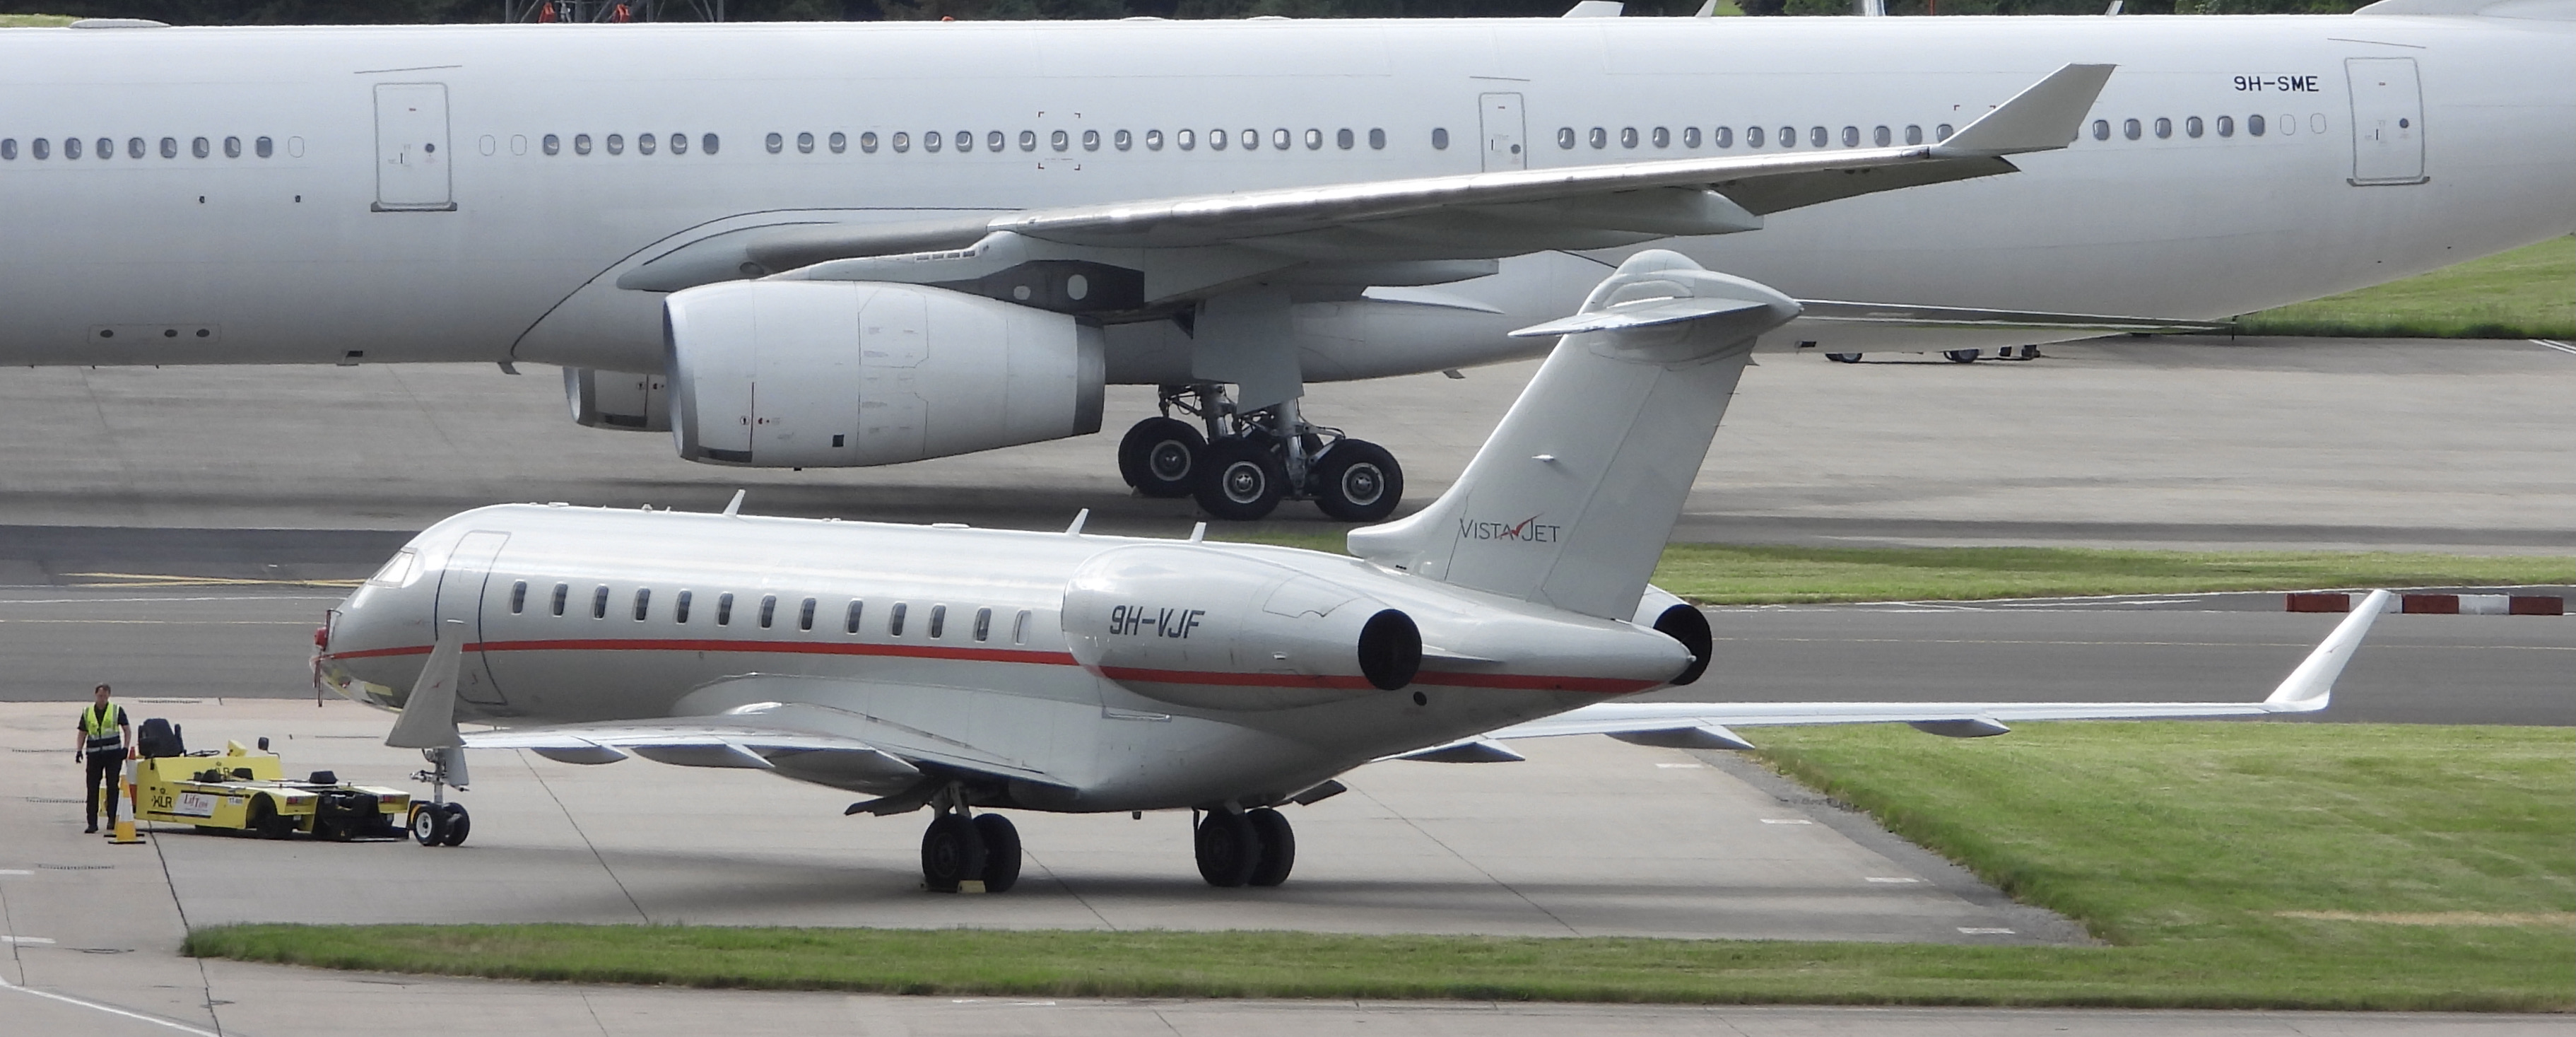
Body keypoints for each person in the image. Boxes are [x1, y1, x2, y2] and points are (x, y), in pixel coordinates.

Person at [76, 684, 131, 834]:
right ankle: (92, 823)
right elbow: (82, 732)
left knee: (113, 788)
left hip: (113, 755)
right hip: (94, 756)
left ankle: (112, 819)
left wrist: (125, 748)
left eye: (105, 697)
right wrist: (79, 750)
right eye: (100, 696)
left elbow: (127, 729)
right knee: (92, 789)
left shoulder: (116, 710)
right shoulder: (88, 712)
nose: (102, 699)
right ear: (95, 695)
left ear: (109, 696)